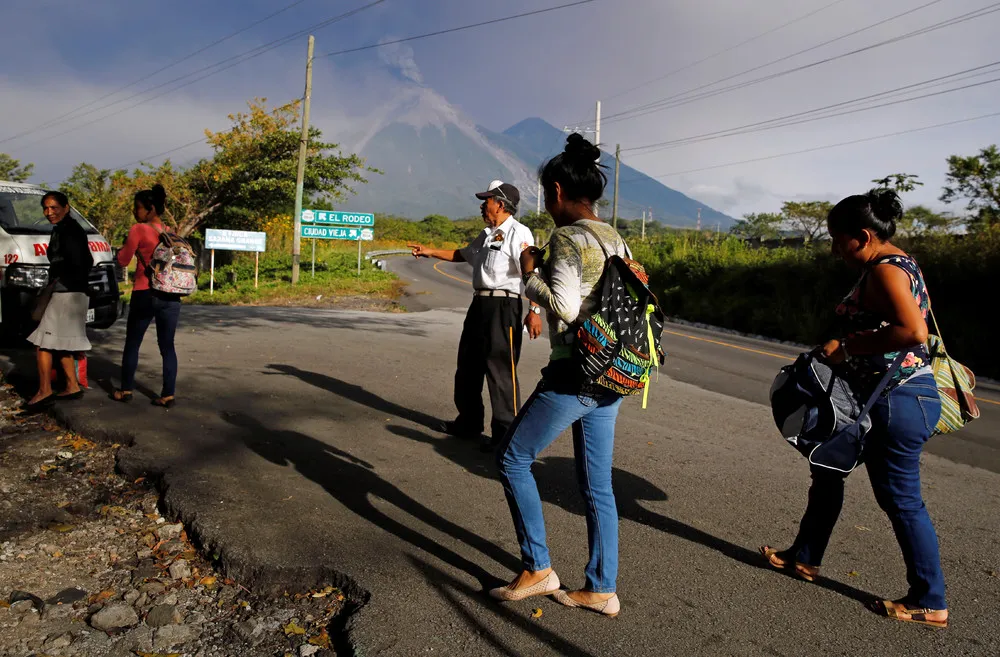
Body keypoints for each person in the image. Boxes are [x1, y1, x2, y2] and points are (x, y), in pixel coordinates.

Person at [760, 189, 948, 628]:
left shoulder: (885, 271)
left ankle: (930, 599)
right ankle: (804, 558)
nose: (833, 249)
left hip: (897, 400)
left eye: (837, 239)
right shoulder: (903, 264)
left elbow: (914, 331)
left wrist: (846, 346)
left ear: (862, 236)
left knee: (901, 500)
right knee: (827, 469)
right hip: (875, 399)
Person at [490, 134, 628, 617]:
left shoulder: (568, 237)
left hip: (577, 372)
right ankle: (601, 587)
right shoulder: (613, 235)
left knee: (511, 458)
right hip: (615, 371)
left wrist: (529, 272)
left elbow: (566, 306)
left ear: (555, 191)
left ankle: (538, 568)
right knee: (597, 484)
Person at [408, 180, 542, 451]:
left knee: (501, 370)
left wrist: (534, 310)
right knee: (467, 366)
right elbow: (464, 254)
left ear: (501, 205)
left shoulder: (519, 233)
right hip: (479, 305)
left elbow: (532, 272)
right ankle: (468, 423)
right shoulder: (487, 234)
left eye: (487, 200)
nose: (483, 205)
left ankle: (504, 436)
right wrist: (430, 251)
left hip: (505, 307)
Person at [112, 184, 181, 408]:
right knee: (167, 346)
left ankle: (126, 390)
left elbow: (123, 260)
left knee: (133, 343)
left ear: (150, 209)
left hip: (145, 291)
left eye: (138, 208)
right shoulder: (170, 231)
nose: (135, 211)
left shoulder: (138, 229)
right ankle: (168, 394)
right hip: (170, 294)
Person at [24, 192, 93, 412]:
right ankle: (72, 386)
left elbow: (77, 262)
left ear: (66, 207)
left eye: (54, 207)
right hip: (74, 292)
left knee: (43, 342)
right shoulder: (69, 229)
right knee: (62, 342)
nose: (49, 212)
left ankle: (44, 391)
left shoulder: (68, 231)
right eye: (45, 208)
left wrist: (58, 281)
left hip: (66, 292)